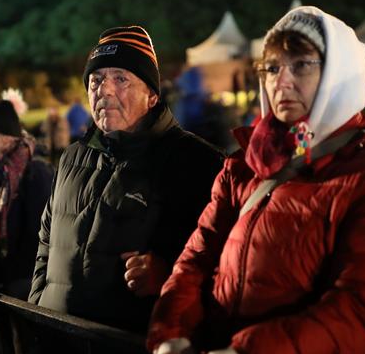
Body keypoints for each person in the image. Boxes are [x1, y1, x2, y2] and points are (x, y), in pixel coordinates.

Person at [133, 7, 365, 354]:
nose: (281, 81)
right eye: (271, 68)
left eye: (301, 64)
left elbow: (359, 310)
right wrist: (171, 347)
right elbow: (194, 263)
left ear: (339, 73)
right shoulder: (247, 162)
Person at [29, 25, 225, 333]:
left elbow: (222, 263)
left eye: (120, 78)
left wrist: (169, 272)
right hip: (57, 349)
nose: (104, 90)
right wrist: (35, 315)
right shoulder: (71, 158)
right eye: (96, 80)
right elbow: (46, 247)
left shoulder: (197, 162)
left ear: (151, 95)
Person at [0, 97, 53, 300]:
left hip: (24, 280)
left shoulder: (35, 172)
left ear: (6, 137)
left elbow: (38, 231)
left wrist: (12, 272)